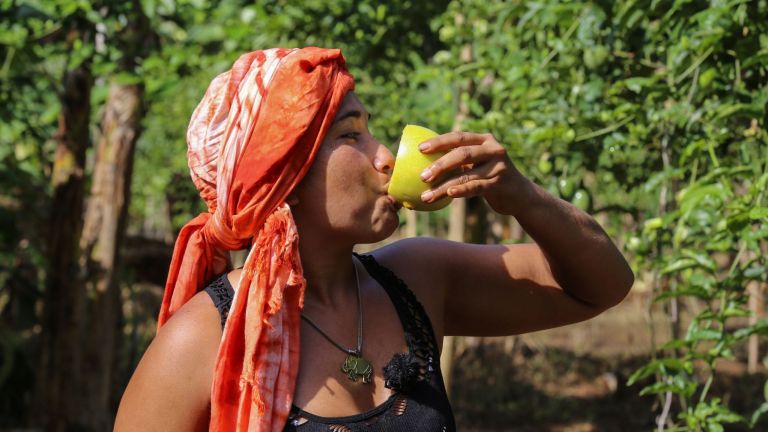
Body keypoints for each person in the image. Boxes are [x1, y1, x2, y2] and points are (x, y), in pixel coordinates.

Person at [114, 47, 634, 432]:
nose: (385, 156)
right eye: (350, 135)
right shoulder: (201, 339)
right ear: (282, 178)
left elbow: (603, 286)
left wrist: (522, 196)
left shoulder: (417, 280)